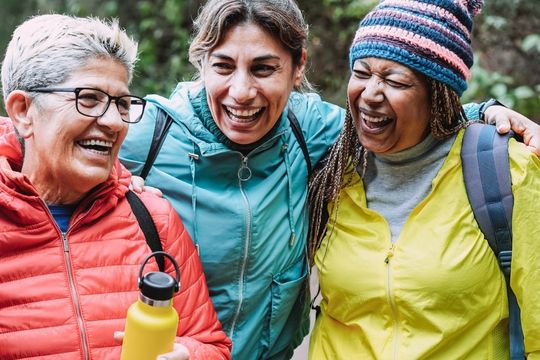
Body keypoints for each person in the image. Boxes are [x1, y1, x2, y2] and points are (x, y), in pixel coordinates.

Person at [119, 1, 540, 359]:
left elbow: (404, 127)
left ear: (298, 67)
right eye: (223, 66)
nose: (241, 91)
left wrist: (485, 113)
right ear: (202, 64)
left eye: (264, 69)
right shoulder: (148, 134)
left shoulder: (312, 132)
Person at [308, 0, 540, 358]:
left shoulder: (504, 171)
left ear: (439, 95)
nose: (370, 93)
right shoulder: (333, 169)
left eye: (395, 79)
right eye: (361, 72)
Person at [0, 14, 231, 360]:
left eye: (122, 103)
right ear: (23, 111)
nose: (112, 122)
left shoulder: (153, 217)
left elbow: (211, 344)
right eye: (88, 98)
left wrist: (190, 355)